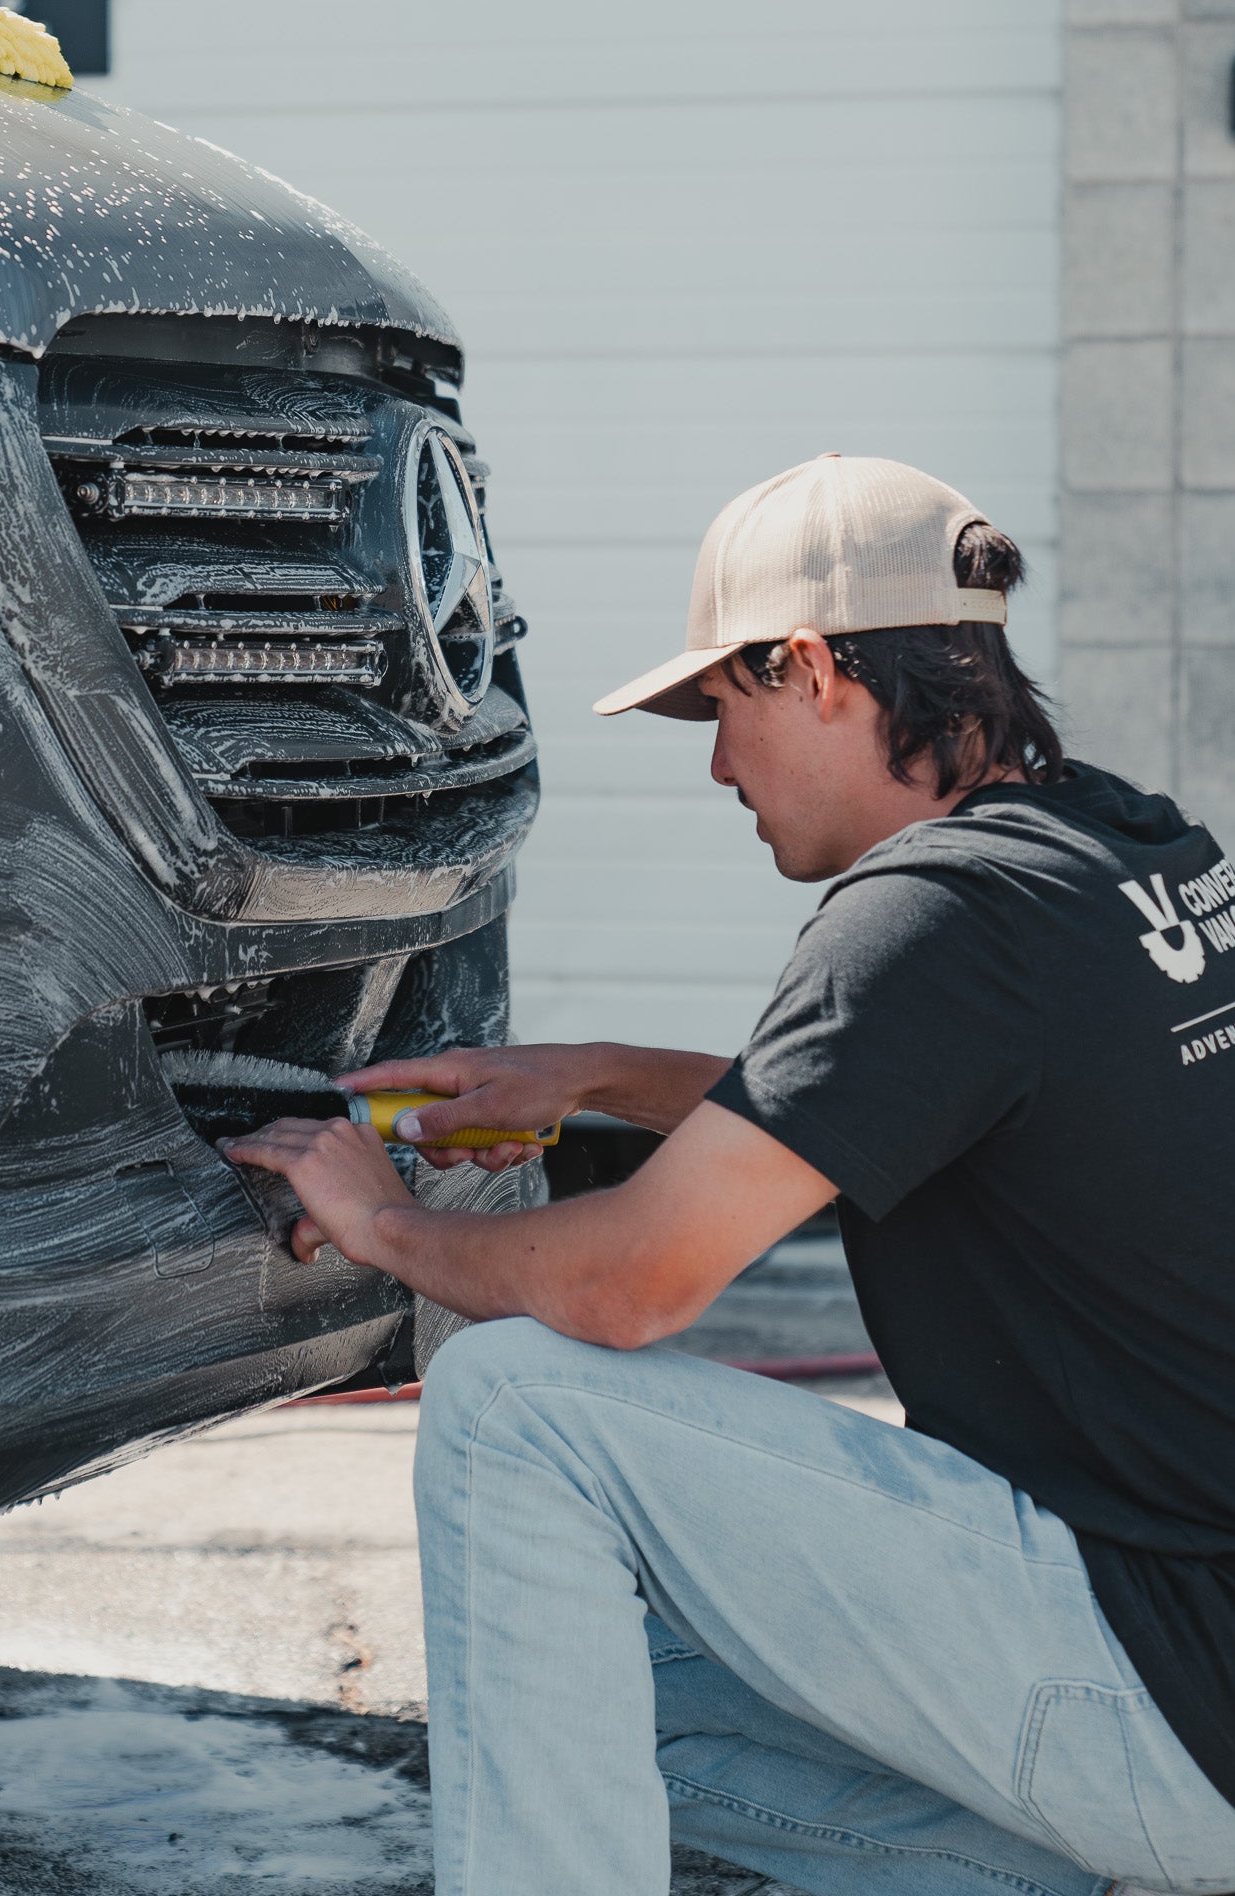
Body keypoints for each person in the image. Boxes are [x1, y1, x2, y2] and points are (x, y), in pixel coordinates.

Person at [223, 454, 1235, 1896]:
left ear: (812, 668)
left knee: (517, 1407)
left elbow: (632, 1285)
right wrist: (594, 1074)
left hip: (1163, 1697)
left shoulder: (922, 916)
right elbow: (935, 1102)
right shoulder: (1118, 848)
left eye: (723, 708)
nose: (713, 766)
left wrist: (376, 1219)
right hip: (1192, 1690)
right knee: (576, 1689)